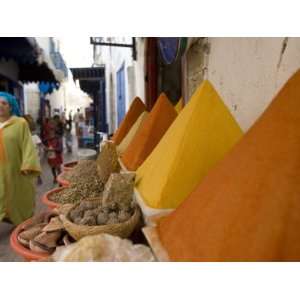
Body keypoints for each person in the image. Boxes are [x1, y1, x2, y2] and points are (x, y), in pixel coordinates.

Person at [0, 92, 41, 225]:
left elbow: (27, 145)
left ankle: (21, 222)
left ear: (11, 106)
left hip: (16, 171)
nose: (0, 106)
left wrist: (28, 164)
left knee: (19, 197)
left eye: (4, 103)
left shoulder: (20, 123)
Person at [23, 114, 43, 185]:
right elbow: (41, 146)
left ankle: (37, 177)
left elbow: (40, 146)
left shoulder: (34, 137)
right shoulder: (34, 137)